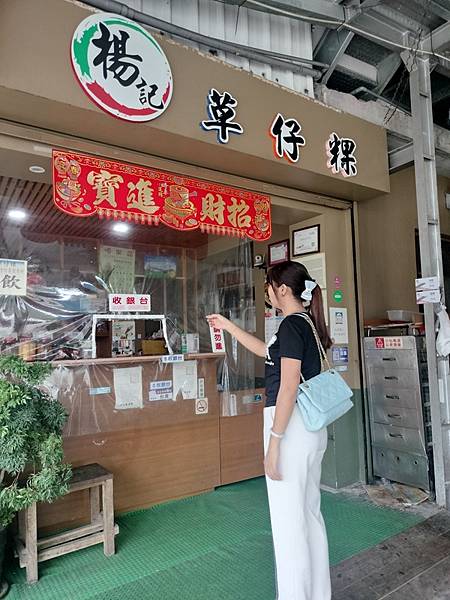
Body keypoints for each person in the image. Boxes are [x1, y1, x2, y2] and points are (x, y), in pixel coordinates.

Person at [207, 260, 332, 600]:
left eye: (268, 286)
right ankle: (317, 594)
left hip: (290, 429)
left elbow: (289, 385)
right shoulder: (304, 323)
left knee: (289, 523)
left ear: (282, 289)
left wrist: (274, 443)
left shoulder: (292, 325)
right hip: (310, 428)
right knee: (308, 514)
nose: (266, 292)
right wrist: (228, 327)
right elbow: (267, 353)